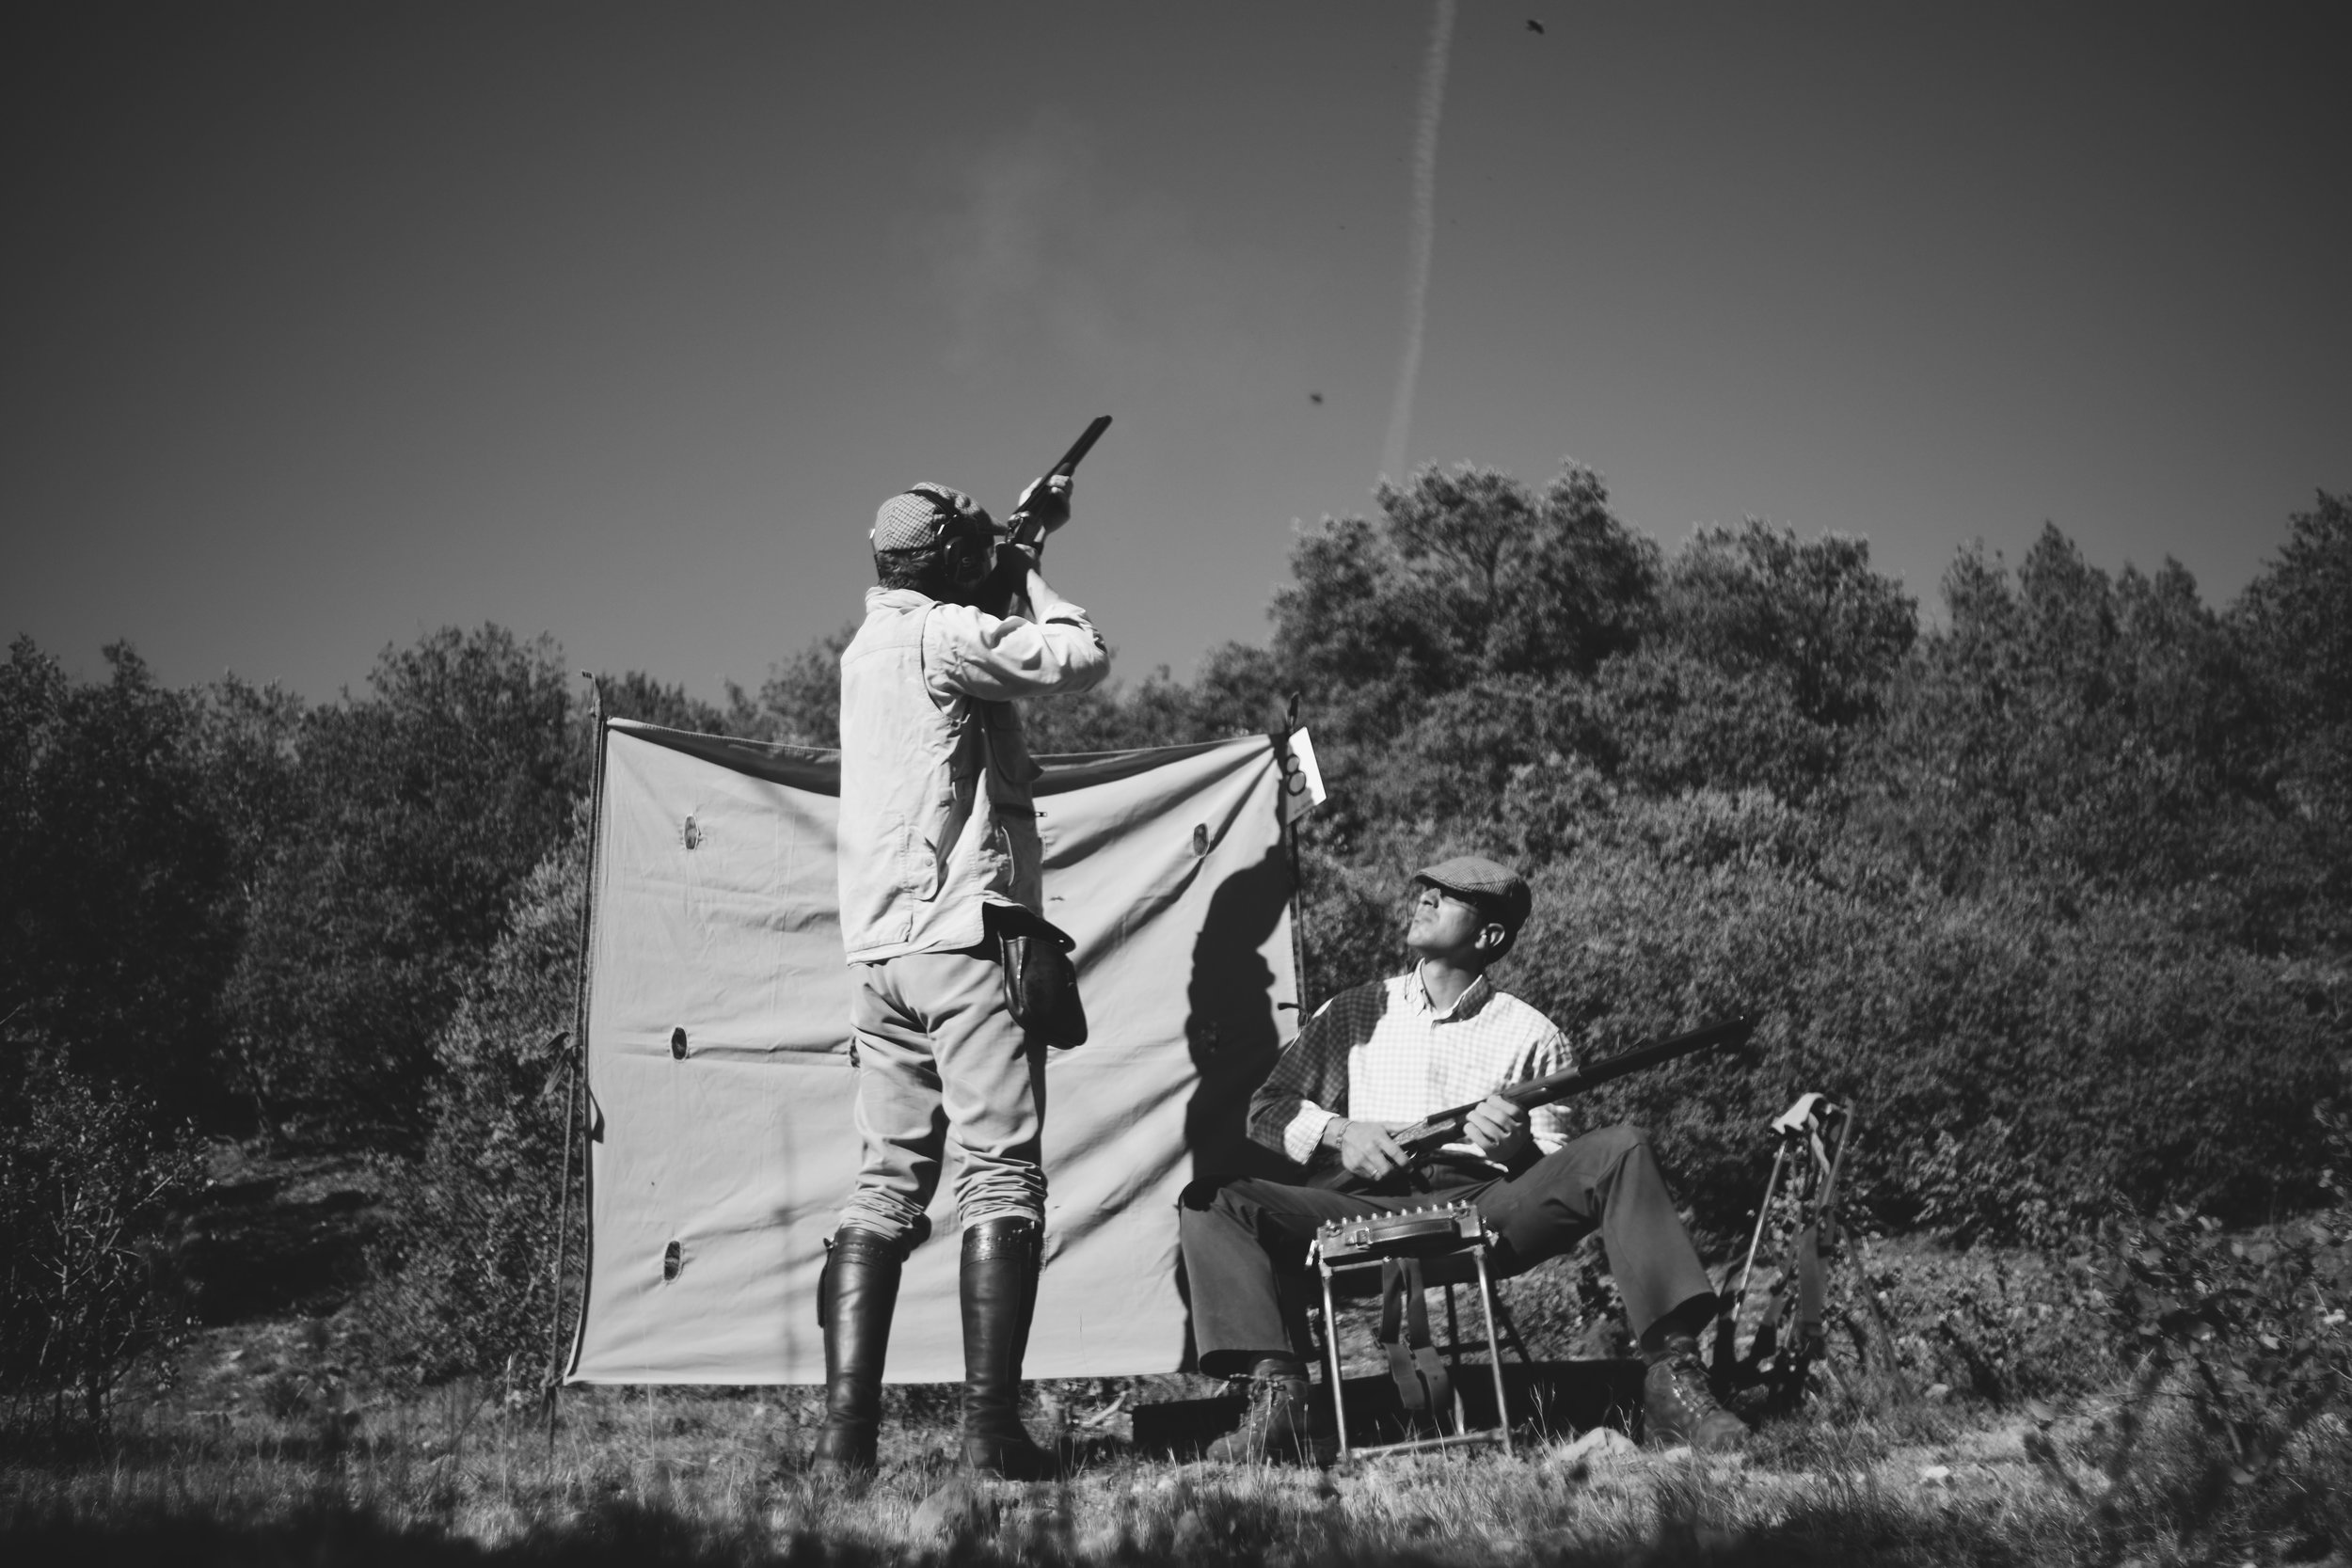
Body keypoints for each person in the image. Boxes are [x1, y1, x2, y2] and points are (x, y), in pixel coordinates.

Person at [1178, 854, 1748, 1462]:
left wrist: (1516, 1147)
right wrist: (1343, 1132)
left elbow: (1555, 1166)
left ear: (1489, 935)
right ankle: (1279, 1401)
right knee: (1213, 1201)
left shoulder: (1534, 1034)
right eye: (1424, 888)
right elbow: (1268, 1109)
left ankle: (1673, 1384)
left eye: (1446, 896)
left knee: (1623, 1146)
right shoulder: (1350, 1011)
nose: (1423, 898)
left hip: (1484, 1205)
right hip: (1356, 1204)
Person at [815, 474, 1108, 1478]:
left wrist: (1003, 554)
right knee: (1001, 1171)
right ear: (944, 558)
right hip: (959, 939)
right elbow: (1077, 658)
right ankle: (990, 1435)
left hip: (877, 953)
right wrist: (1031, 572)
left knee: (883, 1187)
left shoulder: (868, 647)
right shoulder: (947, 634)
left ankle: (844, 1446)